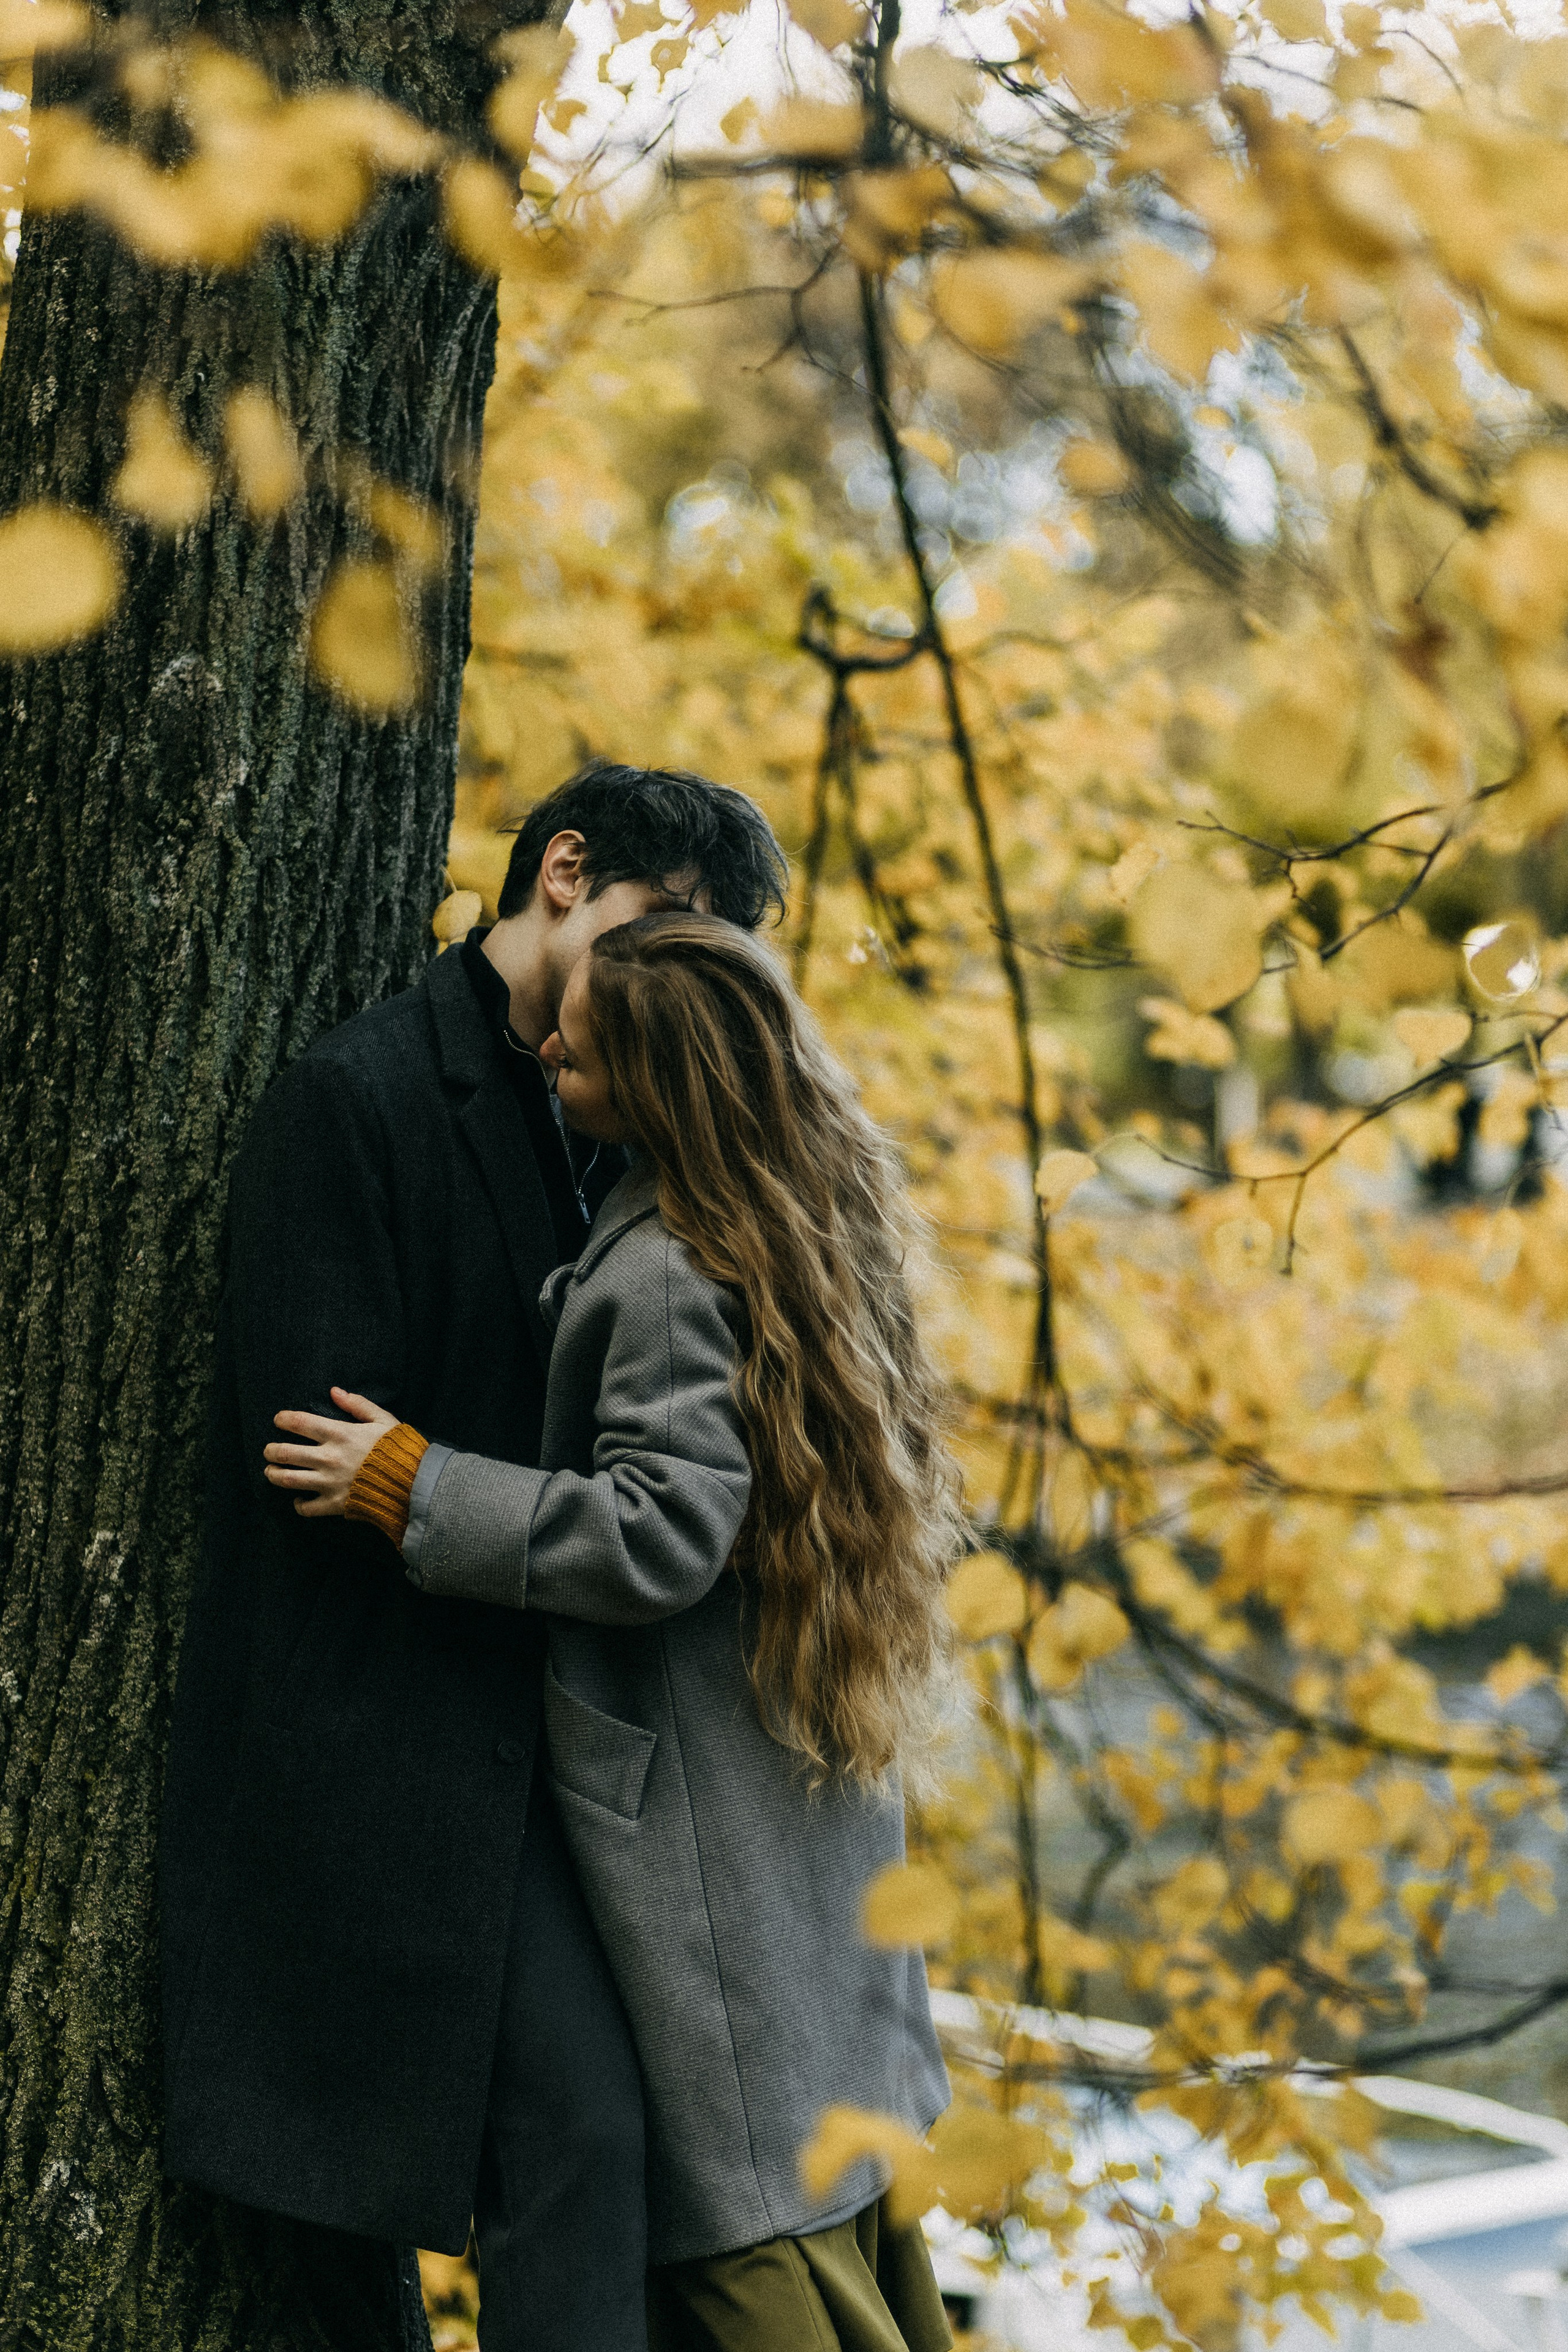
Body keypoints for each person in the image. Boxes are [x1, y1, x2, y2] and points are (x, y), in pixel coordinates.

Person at [263, 910, 962, 2352]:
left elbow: (658, 1531)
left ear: (657, 1088)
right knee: (823, 2156)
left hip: (701, 1803)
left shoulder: (664, 1278)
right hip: (784, 1779)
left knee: (748, 2202)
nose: (545, 1052)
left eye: (576, 1054)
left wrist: (414, 1487)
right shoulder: (802, 1214)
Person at [160, 766, 790, 2352]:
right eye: (662, 927)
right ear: (563, 872)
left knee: (630, 2166)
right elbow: (322, 1458)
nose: (672, 982)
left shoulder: (637, 1120)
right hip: (402, 1755)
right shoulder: (359, 1098)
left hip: (591, 1753)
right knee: (564, 2148)